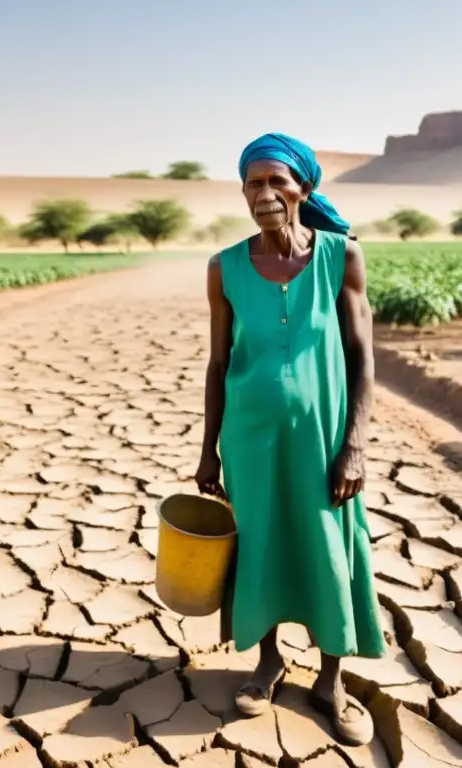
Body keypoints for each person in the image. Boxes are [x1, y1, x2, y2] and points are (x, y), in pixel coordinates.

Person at [194, 132, 385, 747]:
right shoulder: (223, 267)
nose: (266, 192)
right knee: (262, 546)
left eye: (278, 180)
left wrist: (354, 444)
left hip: (323, 439)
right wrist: (207, 452)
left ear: (303, 187)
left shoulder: (341, 257)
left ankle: (332, 680)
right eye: (254, 182)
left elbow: (361, 355)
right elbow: (219, 363)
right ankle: (269, 662)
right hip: (249, 441)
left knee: (329, 548)